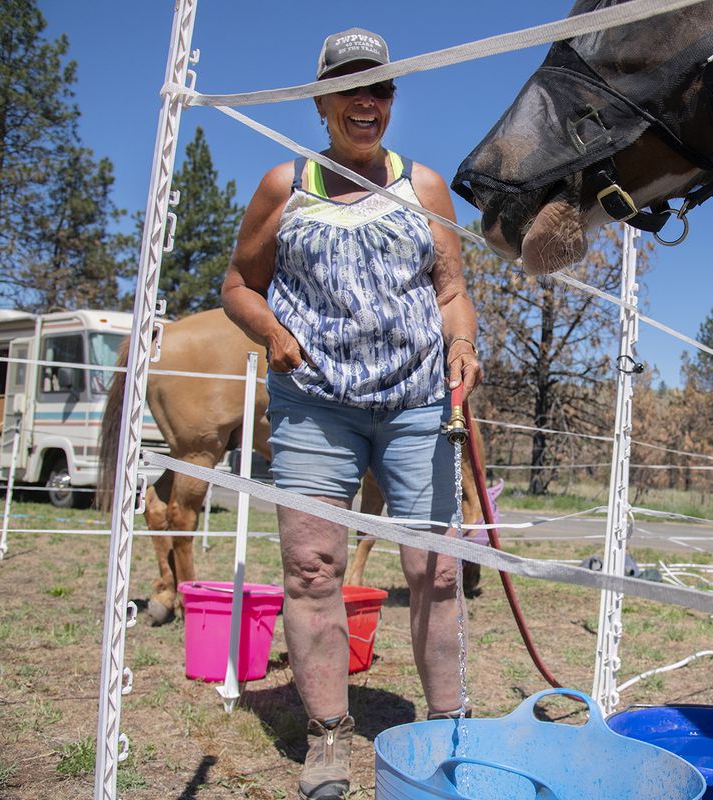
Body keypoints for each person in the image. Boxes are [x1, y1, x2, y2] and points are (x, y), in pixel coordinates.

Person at [220, 26, 483, 800]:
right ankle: (329, 736)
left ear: (393, 101)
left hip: (417, 403)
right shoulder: (284, 186)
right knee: (311, 570)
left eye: (381, 88)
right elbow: (238, 284)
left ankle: (449, 729)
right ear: (321, 101)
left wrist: (462, 342)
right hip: (314, 407)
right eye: (350, 88)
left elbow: (450, 291)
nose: (366, 102)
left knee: (435, 574)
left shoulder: (424, 189)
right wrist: (271, 331)